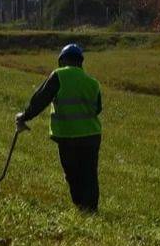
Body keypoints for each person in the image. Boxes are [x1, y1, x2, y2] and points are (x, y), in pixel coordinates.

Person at [16, 43, 102, 212]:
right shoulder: (93, 83)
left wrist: (25, 116)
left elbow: (41, 99)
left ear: (62, 61)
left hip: (67, 136)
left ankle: (80, 205)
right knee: (90, 172)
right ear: (81, 62)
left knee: (72, 172)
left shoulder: (58, 76)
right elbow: (97, 108)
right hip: (91, 135)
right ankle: (91, 208)